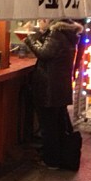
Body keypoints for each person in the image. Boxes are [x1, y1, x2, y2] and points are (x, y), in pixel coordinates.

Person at [24, 18, 83, 169]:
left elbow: (44, 53)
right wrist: (42, 32)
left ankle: (51, 161)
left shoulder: (56, 33)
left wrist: (28, 37)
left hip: (49, 88)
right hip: (59, 86)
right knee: (56, 124)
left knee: (48, 126)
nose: (40, 21)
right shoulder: (66, 33)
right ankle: (59, 156)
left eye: (43, 19)